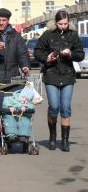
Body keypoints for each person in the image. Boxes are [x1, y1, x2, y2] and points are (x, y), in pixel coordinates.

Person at [34, 10, 85, 152]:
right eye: (60, 23)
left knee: (65, 107)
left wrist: (71, 54)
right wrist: (47, 58)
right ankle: (52, 137)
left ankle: (65, 141)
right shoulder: (48, 35)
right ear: (55, 23)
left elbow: (80, 55)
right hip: (51, 74)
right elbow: (37, 52)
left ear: (69, 22)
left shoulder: (73, 35)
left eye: (65, 23)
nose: (63, 26)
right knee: (54, 106)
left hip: (68, 75)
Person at [0, 8, 31, 84]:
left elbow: (22, 53)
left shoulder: (15, 36)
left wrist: (25, 65)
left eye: (4, 20)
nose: (1, 23)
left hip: (12, 78)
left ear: (8, 21)